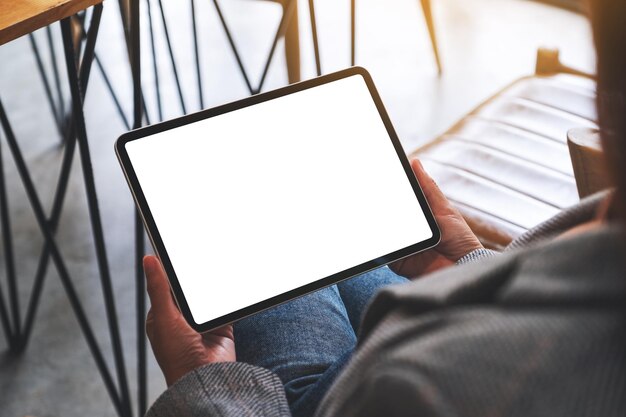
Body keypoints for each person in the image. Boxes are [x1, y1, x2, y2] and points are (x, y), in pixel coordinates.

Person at [142, 1, 626, 415]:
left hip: (350, 394)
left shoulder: (427, 385)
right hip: (435, 335)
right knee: (326, 226)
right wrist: (469, 264)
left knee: (252, 231)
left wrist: (201, 382)